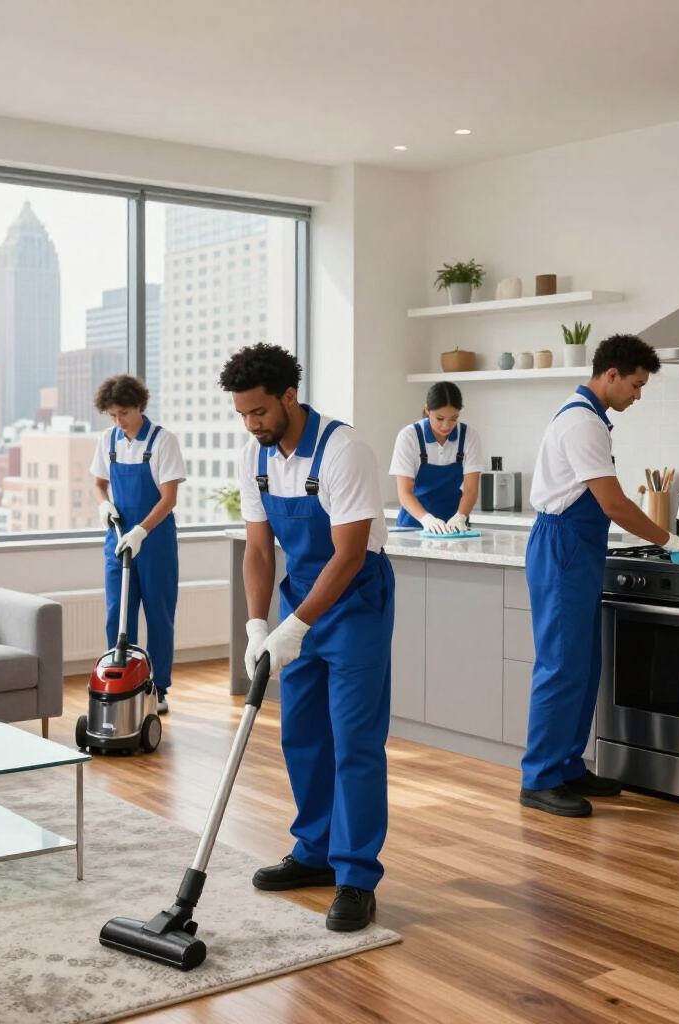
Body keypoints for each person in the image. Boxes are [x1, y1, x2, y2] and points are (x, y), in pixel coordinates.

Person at [219, 343, 394, 933]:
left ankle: (355, 877)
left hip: (355, 603)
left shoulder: (345, 451)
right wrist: (256, 624)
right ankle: (315, 853)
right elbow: (260, 549)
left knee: (355, 742)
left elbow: (347, 557)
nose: (252, 424)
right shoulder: (257, 456)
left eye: (260, 412)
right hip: (302, 599)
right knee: (303, 737)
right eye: (243, 414)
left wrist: (295, 626)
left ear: (289, 396)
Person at [521, 335, 679, 817]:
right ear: (611, 374)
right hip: (562, 546)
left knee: (584, 667)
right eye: (635, 384)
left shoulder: (591, 418)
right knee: (561, 665)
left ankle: (568, 766)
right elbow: (612, 503)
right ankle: (540, 777)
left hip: (577, 548)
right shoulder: (582, 423)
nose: (638, 395)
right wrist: (669, 541)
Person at [91, 375, 185, 714]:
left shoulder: (163, 442)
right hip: (118, 538)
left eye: (124, 412)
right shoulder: (108, 440)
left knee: (159, 615)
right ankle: (124, 681)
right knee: (118, 614)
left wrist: (142, 531)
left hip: (155, 539)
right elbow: (99, 484)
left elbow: (169, 498)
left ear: (139, 406)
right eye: (112, 414)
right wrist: (103, 504)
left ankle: (157, 688)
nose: (119, 420)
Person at [391, 381, 483, 532]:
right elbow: (404, 492)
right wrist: (427, 519)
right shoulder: (409, 436)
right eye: (440, 418)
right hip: (414, 524)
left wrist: (460, 516)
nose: (447, 425)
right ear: (427, 410)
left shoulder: (469, 436)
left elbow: (471, 490)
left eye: (453, 418)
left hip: (453, 526)